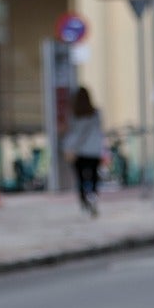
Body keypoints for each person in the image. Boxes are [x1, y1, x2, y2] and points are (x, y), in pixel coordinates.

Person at [61, 86, 105, 216]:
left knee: (80, 178)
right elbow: (99, 131)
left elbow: (73, 134)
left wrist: (68, 148)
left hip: (78, 151)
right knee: (93, 177)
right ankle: (93, 198)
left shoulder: (73, 115)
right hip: (94, 151)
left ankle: (84, 202)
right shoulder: (96, 113)